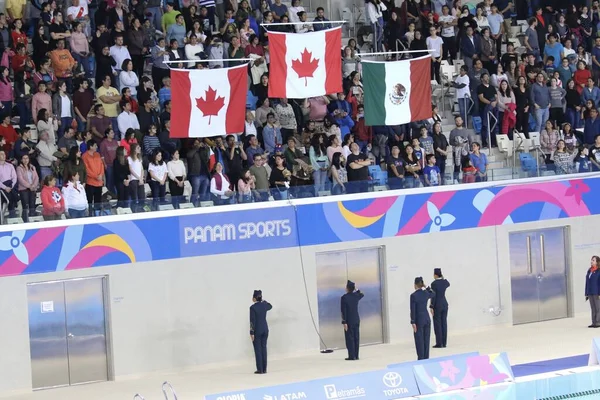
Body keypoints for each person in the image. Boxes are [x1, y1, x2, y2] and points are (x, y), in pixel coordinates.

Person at [410, 276, 434, 360]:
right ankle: (426, 358)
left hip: (419, 320)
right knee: (426, 340)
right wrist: (426, 286)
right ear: (421, 284)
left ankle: (421, 359)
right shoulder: (425, 293)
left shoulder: (413, 296)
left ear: (415, 285)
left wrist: (413, 321)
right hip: (427, 319)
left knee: (419, 341)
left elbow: (413, 310)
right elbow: (433, 293)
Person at [250, 289, 272, 374]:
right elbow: (270, 306)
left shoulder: (253, 308)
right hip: (265, 329)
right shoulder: (264, 306)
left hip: (257, 330)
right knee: (264, 348)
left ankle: (260, 369)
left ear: (254, 298)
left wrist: (251, 332)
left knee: (258, 350)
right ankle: (265, 368)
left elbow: (252, 321)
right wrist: (263, 301)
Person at [340, 280, 363, 361]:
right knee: (356, 338)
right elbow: (361, 294)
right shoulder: (356, 296)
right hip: (356, 319)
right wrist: (356, 289)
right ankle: (356, 355)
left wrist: (344, 322)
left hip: (349, 321)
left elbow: (343, 311)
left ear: (347, 288)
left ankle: (351, 356)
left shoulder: (344, 298)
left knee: (350, 338)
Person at [430, 268, 450, 348]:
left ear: (435, 275)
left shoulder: (434, 284)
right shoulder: (444, 282)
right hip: (444, 304)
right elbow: (448, 283)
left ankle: (439, 343)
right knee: (444, 323)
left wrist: (431, 306)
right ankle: (444, 343)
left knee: (437, 324)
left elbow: (433, 296)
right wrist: (442, 277)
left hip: (437, 305)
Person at [586, 256, 600, 328]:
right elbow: (587, 282)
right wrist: (586, 293)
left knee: (598, 308)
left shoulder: (598, 271)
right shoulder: (589, 270)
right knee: (593, 308)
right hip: (590, 292)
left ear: (597, 262)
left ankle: (598, 322)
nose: (591, 261)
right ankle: (593, 322)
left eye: (593, 260)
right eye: (591, 260)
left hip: (597, 292)